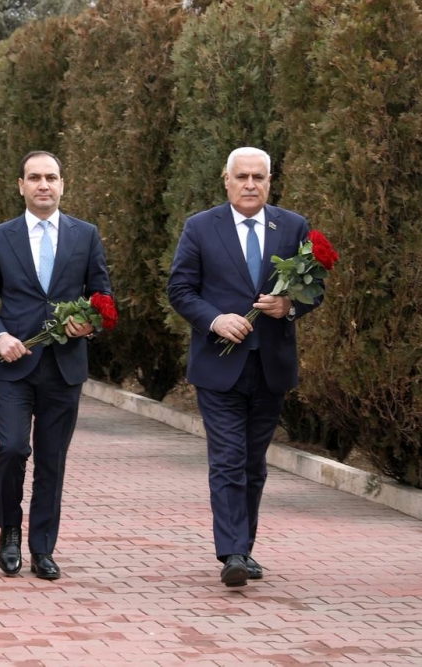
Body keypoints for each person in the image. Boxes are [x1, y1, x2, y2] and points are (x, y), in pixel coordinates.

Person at [166, 147, 322, 587]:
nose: (250, 184)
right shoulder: (200, 227)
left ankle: (244, 547)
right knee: (228, 458)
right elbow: (180, 289)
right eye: (242, 177)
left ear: (269, 181)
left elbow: (315, 287)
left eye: (258, 177)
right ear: (227, 180)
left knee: (253, 463)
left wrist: (290, 306)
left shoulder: (292, 226)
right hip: (219, 366)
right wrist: (215, 319)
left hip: (271, 366)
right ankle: (232, 551)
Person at [0, 151, 111, 580]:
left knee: (52, 460)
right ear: (21, 186)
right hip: (15, 364)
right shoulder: (0, 237)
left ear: (62, 184)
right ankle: (9, 530)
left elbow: (101, 296)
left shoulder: (85, 235)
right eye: (34, 178)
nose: (43, 185)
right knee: (12, 448)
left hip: (64, 368)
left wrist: (88, 322)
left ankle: (42, 548)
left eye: (51, 177)